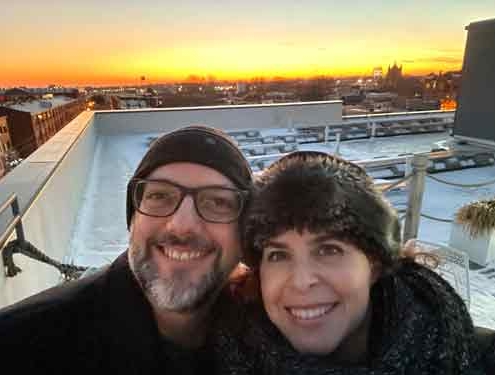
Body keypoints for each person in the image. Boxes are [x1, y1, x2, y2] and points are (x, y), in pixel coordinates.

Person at [213, 150, 495, 374]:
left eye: (329, 250)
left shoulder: (471, 354)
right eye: (278, 255)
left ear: (374, 263)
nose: (301, 281)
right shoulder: (218, 352)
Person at [0, 125, 252, 374]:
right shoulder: (17, 347)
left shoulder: (278, 339)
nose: (181, 226)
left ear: (245, 234)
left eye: (218, 201)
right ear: (133, 219)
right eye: (160, 195)